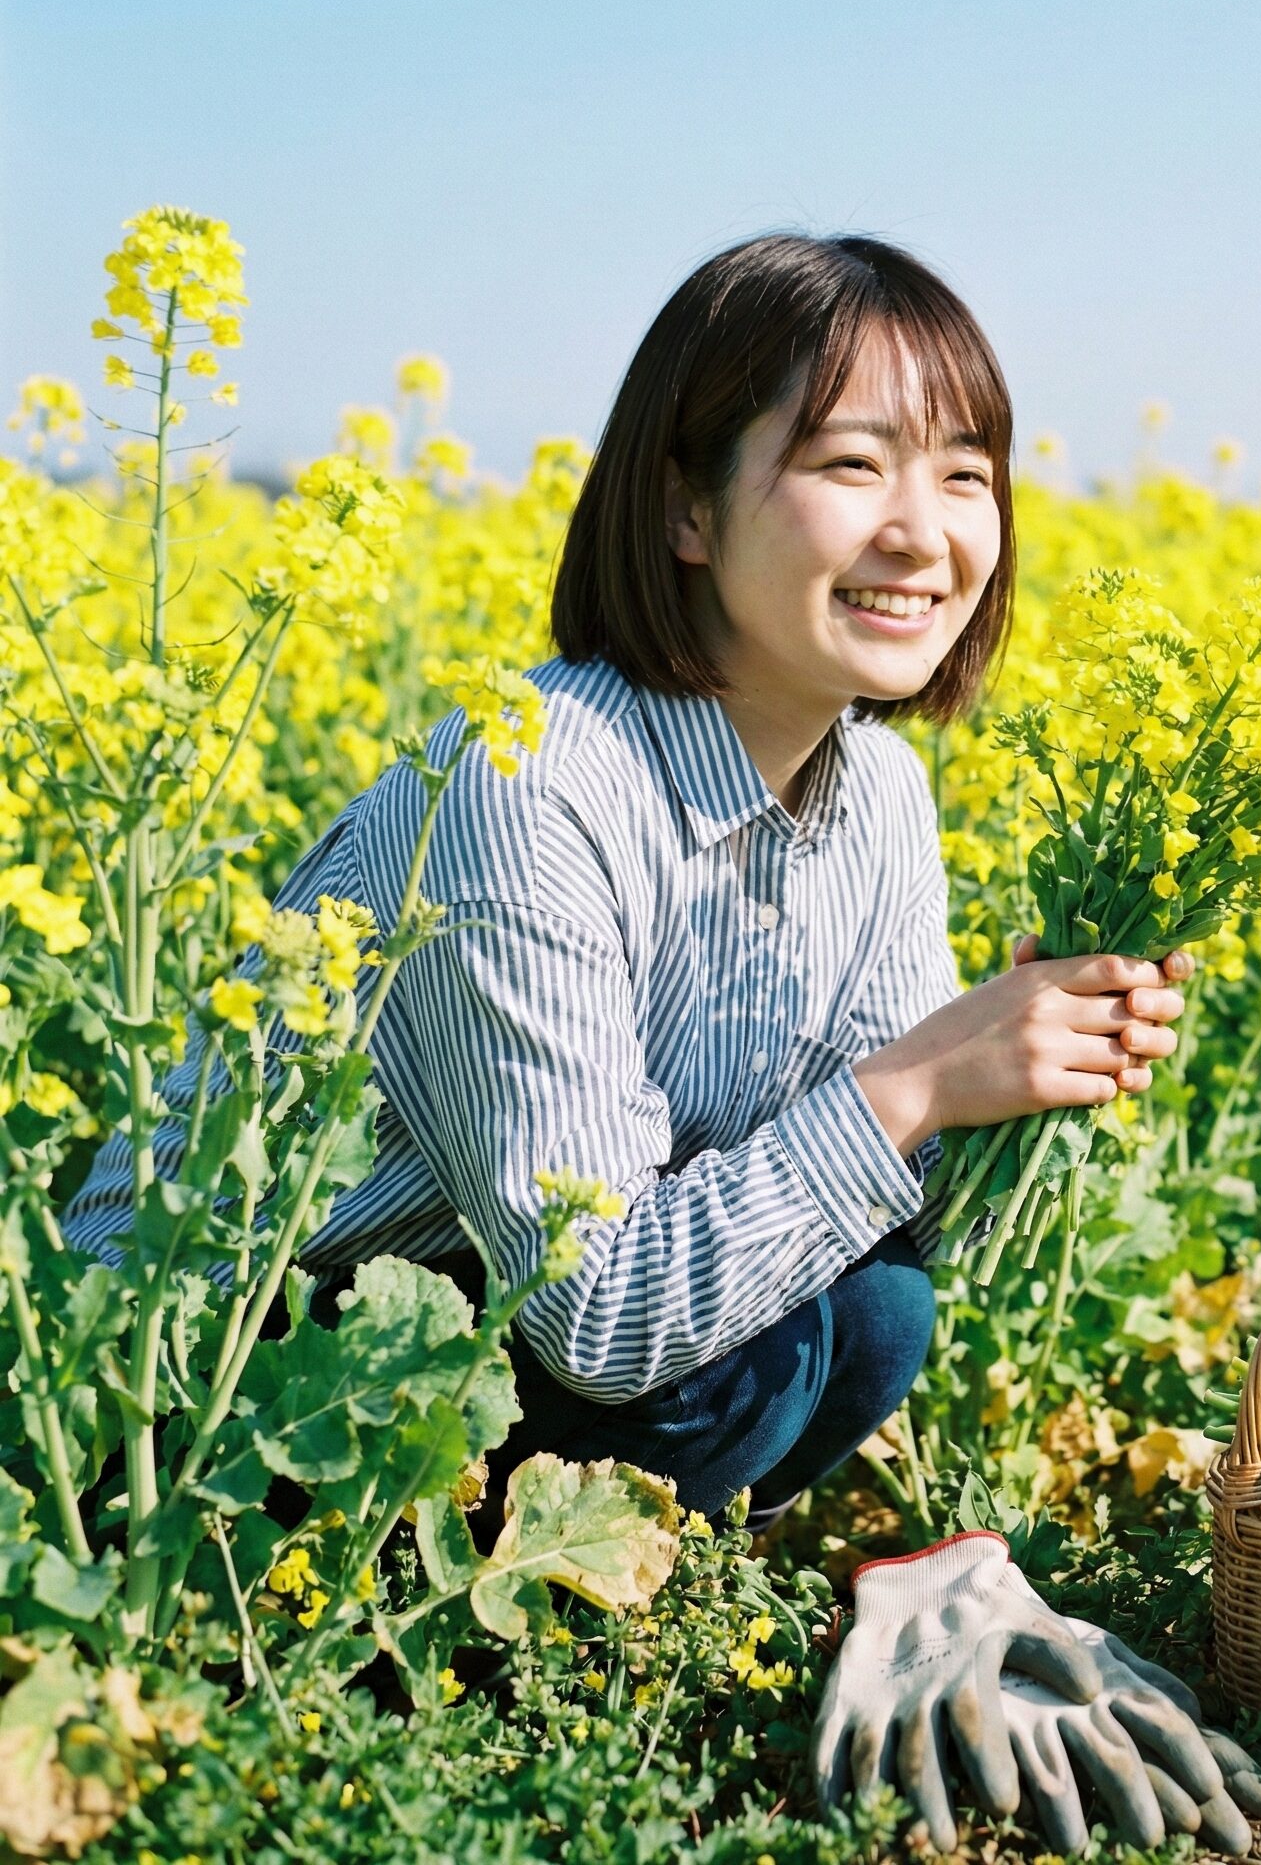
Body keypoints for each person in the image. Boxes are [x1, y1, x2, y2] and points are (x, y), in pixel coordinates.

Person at [60, 233, 1196, 1529]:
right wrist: (923, 1079)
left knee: (875, 1312)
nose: (923, 534)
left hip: (477, 1331)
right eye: (852, 464)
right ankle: (354, 1640)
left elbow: (885, 1215)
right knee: (735, 1365)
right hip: (204, 1388)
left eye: (964, 476)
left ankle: (591, 1605)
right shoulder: (525, 788)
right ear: (686, 510)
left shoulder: (880, 798)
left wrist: (1024, 1072)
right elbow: (598, 1312)